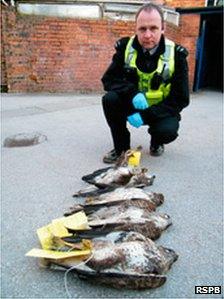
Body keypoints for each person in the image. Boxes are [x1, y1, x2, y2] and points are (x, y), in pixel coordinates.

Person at [101, 3, 189, 164]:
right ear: (136, 29)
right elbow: (108, 80)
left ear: (163, 29)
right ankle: (121, 149)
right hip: (133, 105)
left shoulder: (176, 55)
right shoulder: (125, 48)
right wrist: (132, 93)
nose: (148, 35)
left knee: (167, 131)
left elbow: (181, 98)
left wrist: (146, 115)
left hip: (160, 109)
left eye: (153, 28)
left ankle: (157, 142)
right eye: (142, 29)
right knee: (110, 99)